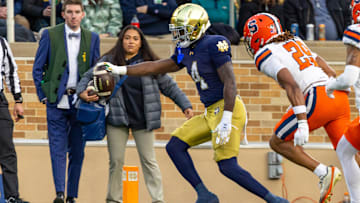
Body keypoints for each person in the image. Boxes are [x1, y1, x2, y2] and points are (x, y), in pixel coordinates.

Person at [101, 4, 289, 203]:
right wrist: (121, 70)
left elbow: (230, 82)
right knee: (174, 146)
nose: (179, 36)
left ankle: (274, 200)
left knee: (227, 166)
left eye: (183, 31)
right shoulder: (186, 49)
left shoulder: (214, 44)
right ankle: (204, 194)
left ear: (197, 28)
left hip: (228, 108)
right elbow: (158, 65)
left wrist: (226, 116)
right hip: (210, 112)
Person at [77, 24, 193, 203]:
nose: (131, 42)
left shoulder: (151, 64)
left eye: (135, 39)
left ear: (141, 43)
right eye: (127, 38)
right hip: (117, 118)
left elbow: (170, 87)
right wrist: (81, 92)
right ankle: (113, 199)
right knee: (116, 162)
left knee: (149, 161)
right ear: (121, 40)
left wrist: (185, 105)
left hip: (144, 119)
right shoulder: (109, 61)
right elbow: (86, 77)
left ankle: (157, 200)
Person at [243, 13, 350, 203]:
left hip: (317, 97)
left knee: (277, 142)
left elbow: (291, 85)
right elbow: (327, 68)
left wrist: (302, 122)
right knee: (349, 153)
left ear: (257, 36)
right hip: (338, 95)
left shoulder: (264, 53)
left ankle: (323, 172)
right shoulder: (294, 39)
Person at [32, 0, 100, 202]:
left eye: (77, 12)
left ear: (83, 15)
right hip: (56, 101)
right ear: (63, 14)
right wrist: (44, 92)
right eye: (69, 12)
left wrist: (92, 93)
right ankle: (59, 193)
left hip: (81, 103)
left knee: (78, 152)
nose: (73, 15)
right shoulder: (50, 34)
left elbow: (96, 69)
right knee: (57, 149)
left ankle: (71, 195)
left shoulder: (93, 38)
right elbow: (39, 69)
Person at [325, 0, 360, 201]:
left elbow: (348, 78)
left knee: (345, 152)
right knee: (345, 149)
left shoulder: (356, 31)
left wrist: (331, 85)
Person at [0, 37, 29, 203]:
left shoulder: (2, 43)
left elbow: (10, 72)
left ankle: (12, 197)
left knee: (7, 152)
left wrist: (18, 100)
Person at [282, 0, 351, 40]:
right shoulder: (293, 2)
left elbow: (348, 21)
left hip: (338, 44)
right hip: (308, 46)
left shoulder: (340, 1)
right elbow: (291, 25)